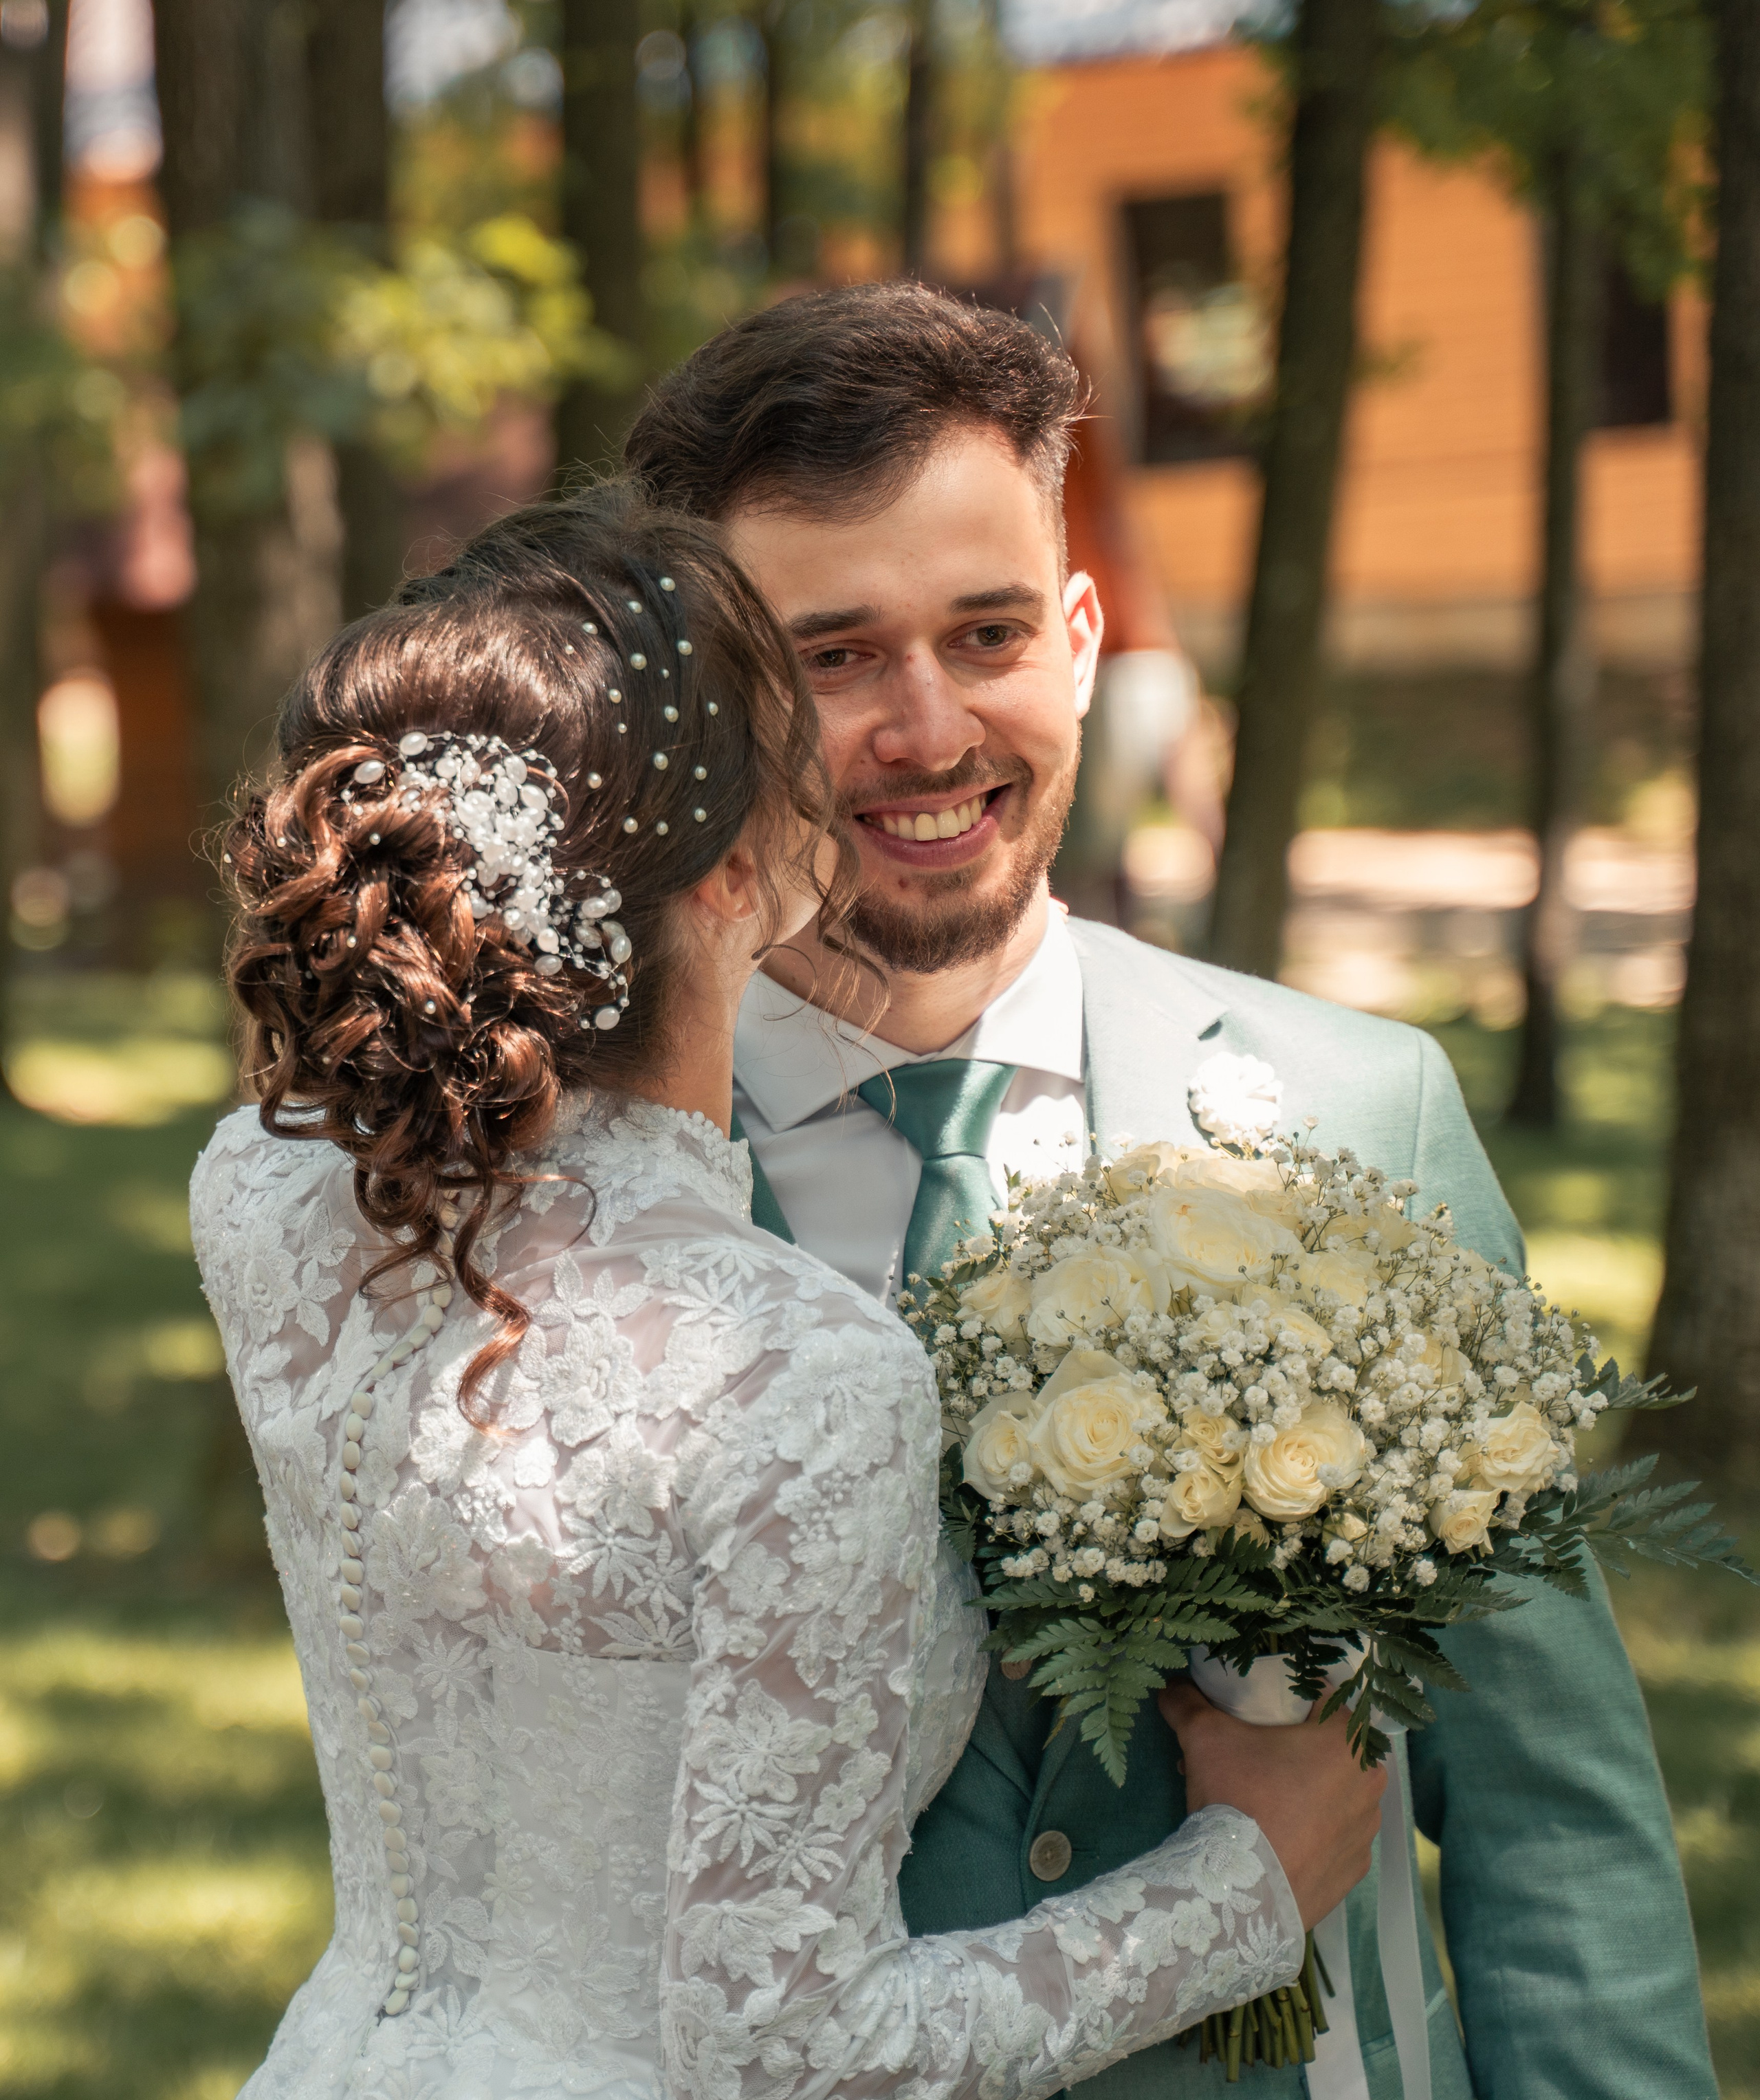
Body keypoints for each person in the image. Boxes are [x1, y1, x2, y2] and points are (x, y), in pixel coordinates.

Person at [619, 283, 1717, 2100]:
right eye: (833, 657)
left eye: (984, 633)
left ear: (1081, 634)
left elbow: (1554, 1824)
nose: (925, 724)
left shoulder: (1367, 1112)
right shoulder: (600, 1197)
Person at [190, 485, 1385, 2100]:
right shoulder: (793, 1370)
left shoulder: (265, 1194)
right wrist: (1248, 1883)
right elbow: (794, 2052)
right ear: (735, 878)